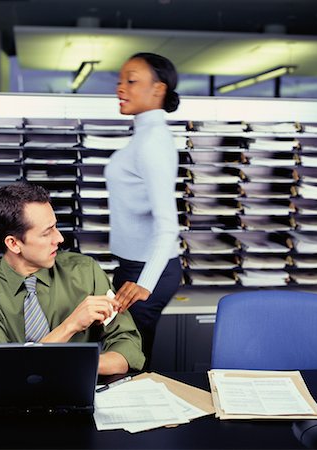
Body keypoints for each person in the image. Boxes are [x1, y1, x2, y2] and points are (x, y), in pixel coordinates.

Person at [0, 182, 145, 375]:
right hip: (12, 401)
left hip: (79, 388)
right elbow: (1, 370)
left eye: (55, 227)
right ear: (14, 243)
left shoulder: (85, 271)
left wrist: (79, 366)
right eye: (46, 232)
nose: (59, 238)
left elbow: (127, 344)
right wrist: (71, 325)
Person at [105, 52, 182, 365]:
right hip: (132, 267)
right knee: (125, 354)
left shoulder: (152, 142)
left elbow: (169, 226)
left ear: (157, 90)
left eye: (131, 81)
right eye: (120, 81)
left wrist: (145, 284)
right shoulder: (145, 137)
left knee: (128, 360)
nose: (121, 88)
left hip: (146, 270)